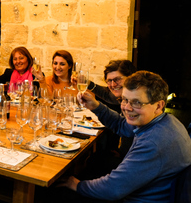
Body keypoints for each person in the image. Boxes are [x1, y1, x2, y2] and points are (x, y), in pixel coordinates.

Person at [61, 71, 191, 202]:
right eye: (124, 100)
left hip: (136, 198)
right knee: (95, 162)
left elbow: (112, 189)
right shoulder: (166, 120)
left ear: (159, 105)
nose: (127, 108)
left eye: (136, 103)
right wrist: (96, 106)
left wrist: (76, 185)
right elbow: (121, 125)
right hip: (143, 188)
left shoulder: (153, 142)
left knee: (62, 193)